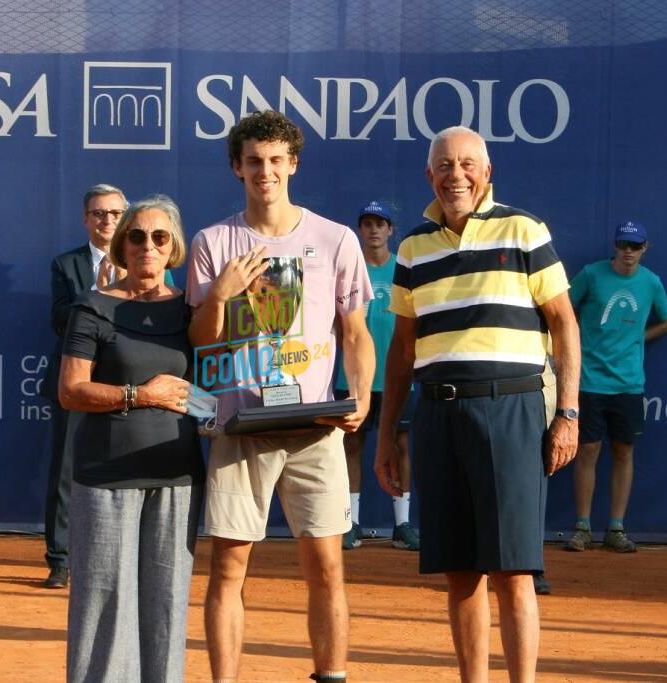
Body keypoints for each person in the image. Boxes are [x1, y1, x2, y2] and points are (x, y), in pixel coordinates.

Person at [374, 126, 580, 682]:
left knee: (512, 570)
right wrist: (389, 430)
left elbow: (563, 323)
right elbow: (402, 347)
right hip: (437, 416)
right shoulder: (414, 246)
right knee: (460, 574)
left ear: (487, 172)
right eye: (443, 165)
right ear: (429, 175)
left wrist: (568, 412)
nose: (455, 175)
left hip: (511, 412)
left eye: (467, 164)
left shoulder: (524, 229)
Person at [187, 110, 375, 683]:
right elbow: (199, 340)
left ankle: (331, 675)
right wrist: (219, 294)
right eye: (253, 162)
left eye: (274, 160)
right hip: (240, 427)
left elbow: (356, 332)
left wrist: (361, 394)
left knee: (326, 568)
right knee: (229, 567)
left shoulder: (336, 238)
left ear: (293, 164)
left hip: (313, 426)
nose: (264, 171)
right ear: (236, 168)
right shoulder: (213, 241)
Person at [58, 195, 204, 682]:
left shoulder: (191, 311)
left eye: (159, 237)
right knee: (104, 605)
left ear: (173, 248)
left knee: (166, 607)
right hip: (106, 478)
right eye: (137, 236)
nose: (148, 245)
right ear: (121, 245)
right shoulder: (93, 306)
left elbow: (213, 384)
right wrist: (141, 395)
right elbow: (71, 390)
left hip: (177, 476)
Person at [565, 221, 667, 553]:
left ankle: (616, 528)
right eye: (624, 245)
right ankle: (582, 527)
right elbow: (564, 309)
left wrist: (638, 338)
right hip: (591, 380)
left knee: (624, 452)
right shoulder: (591, 275)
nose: (629, 252)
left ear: (645, 248)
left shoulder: (651, 283)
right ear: (615, 246)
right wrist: (573, 341)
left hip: (629, 384)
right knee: (588, 451)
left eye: (635, 246)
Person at [41, 183, 127, 589]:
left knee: (126, 469)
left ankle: (117, 558)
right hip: (75, 380)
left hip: (130, 380)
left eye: (114, 213)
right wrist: (102, 293)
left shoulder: (145, 259)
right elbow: (61, 318)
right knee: (65, 472)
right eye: (98, 213)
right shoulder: (66, 264)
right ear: (85, 219)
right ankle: (59, 559)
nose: (107, 220)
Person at [334, 200, 419, 552]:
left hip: (397, 377)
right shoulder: (350, 268)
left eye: (379, 224)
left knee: (400, 446)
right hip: (352, 377)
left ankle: (402, 525)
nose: (373, 230)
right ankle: (350, 523)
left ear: (389, 231)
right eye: (366, 224)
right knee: (350, 445)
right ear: (360, 230)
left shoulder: (404, 268)